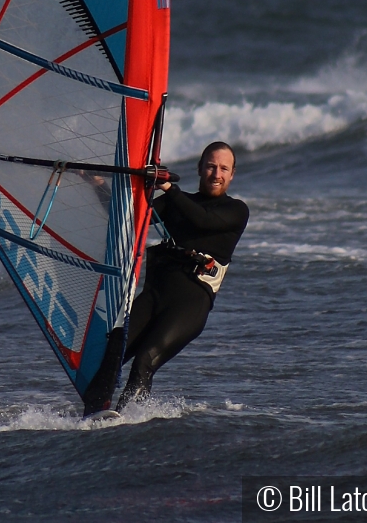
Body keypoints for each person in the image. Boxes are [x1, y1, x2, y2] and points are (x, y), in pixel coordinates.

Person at [82, 141, 248, 416]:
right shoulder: (178, 203)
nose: (216, 174)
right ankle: (92, 415)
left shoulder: (236, 211)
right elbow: (130, 217)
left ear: (232, 174)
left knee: (144, 361)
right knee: (111, 354)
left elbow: (204, 221)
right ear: (199, 168)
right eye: (210, 166)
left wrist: (169, 188)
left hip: (190, 305)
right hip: (155, 295)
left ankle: (126, 421)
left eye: (223, 168)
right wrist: (98, 184)